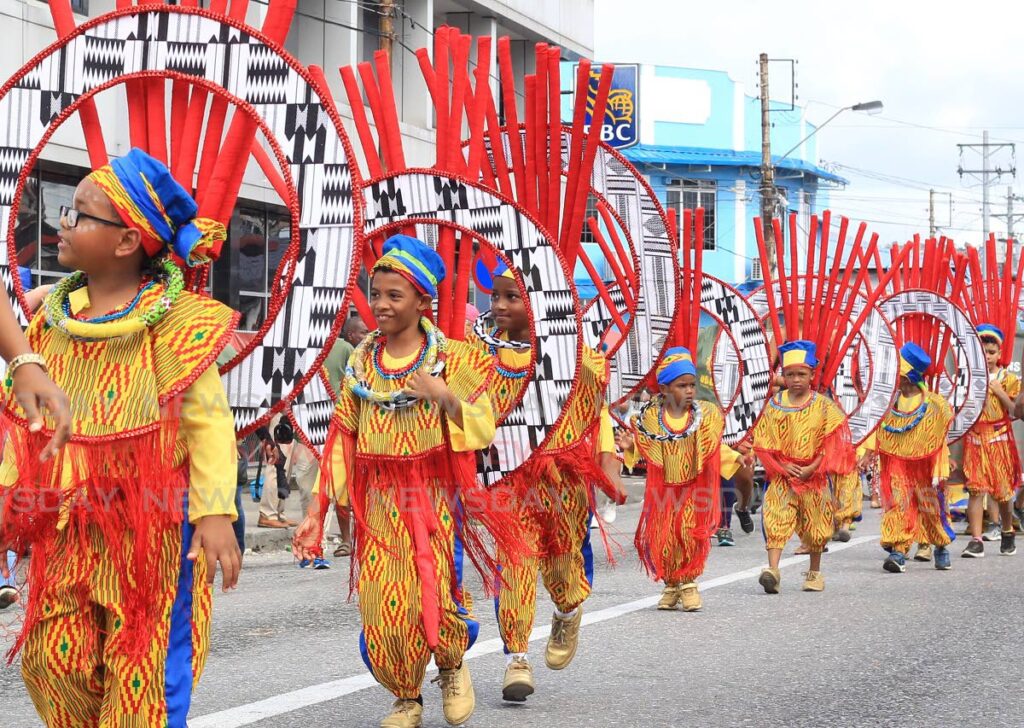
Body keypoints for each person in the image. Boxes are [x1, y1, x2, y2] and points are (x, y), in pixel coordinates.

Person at [0, 148, 240, 725]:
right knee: (48, 664)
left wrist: (214, 512)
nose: (62, 224)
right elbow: (21, 422)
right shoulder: (50, 322)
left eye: (77, 214)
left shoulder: (179, 320)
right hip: (69, 529)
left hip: (153, 536)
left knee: (145, 672)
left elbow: (207, 423)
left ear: (127, 241)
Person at [293, 235, 522, 728]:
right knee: (381, 606)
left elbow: (483, 426)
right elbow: (343, 438)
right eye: (376, 294)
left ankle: (452, 664)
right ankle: (406, 695)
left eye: (394, 296)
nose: (381, 305)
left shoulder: (456, 360)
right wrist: (317, 512)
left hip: (432, 497)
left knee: (432, 594)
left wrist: (444, 396)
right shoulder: (359, 362)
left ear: (423, 301)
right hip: (376, 501)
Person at [468, 261, 624, 705]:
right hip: (507, 478)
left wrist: (608, 463)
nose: (498, 305)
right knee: (514, 561)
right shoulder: (478, 353)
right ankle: (516, 656)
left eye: (511, 297)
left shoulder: (579, 355)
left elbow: (598, 413)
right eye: (494, 296)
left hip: (564, 479)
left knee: (561, 563)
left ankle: (567, 610)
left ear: (539, 303)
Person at [624, 348, 737, 612]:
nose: (689, 391)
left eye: (692, 385)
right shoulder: (651, 418)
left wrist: (735, 458)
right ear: (663, 389)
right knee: (663, 541)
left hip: (692, 491)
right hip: (663, 493)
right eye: (681, 385)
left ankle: (688, 584)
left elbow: (714, 448)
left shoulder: (705, 416)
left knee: (687, 535)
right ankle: (670, 584)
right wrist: (631, 444)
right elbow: (646, 447)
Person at [753, 341, 854, 593]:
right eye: (790, 374)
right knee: (775, 519)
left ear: (811, 375)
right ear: (783, 376)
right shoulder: (774, 405)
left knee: (816, 527)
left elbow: (832, 442)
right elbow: (764, 442)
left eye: (801, 374)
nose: (796, 379)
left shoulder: (824, 406)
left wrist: (813, 467)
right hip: (782, 476)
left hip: (814, 476)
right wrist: (782, 465)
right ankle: (772, 571)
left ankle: (814, 572)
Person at [860, 343, 954, 572]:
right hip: (897, 464)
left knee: (930, 508)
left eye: (897, 374)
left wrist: (942, 462)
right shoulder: (889, 404)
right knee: (898, 505)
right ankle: (898, 551)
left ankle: (940, 544)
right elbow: (880, 430)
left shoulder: (935, 404)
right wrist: (868, 454)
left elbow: (940, 437)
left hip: (926, 467)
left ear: (909, 377)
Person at [961, 325, 1020, 557]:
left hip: (999, 438)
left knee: (1003, 493)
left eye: (991, 352)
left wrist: (999, 391)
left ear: (999, 353)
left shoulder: (1008, 378)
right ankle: (977, 540)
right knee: (975, 490)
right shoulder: (969, 377)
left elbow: (1016, 410)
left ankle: (1007, 530)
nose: (987, 356)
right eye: (983, 351)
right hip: (975, 439)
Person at [321, 313, 367, 557]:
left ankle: (365, 536)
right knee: (341, 486)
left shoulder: (372, 354)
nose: (367, 336)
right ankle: (346, 540)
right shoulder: (347, 350)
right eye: (363, 332)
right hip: (340, 426)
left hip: (369, 428)